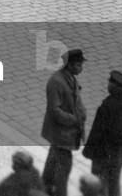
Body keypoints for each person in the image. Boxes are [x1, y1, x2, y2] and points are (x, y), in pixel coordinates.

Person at [82, 70, 122, 196]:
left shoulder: (106, 106)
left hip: (102, 156)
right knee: (114, 184)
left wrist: (88, 152)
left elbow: (97, 133)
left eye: (110, 82)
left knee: (99, 186)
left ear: (115, 87)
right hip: (119, 155)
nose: (108, 84)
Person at [41, 48, 87, 196]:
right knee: (64, 167)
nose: (81, 68)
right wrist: (74, 120)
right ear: (71, 65)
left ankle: (44, 187)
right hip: (61, 133)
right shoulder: (56, 82)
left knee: (53, 161)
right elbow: (55, 111)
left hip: (66, 132)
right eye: (79, 65)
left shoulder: (71, 78)